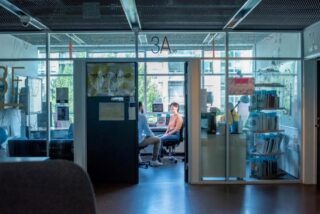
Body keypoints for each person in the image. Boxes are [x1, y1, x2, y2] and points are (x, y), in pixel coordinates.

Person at [138, 102, 163, 167]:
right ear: (140, 107)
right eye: (142, 106)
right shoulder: (141, 116)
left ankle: (139, 159)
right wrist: (153, 136)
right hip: (138, 142)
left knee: (146, 137)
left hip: (131, 141)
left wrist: (147, 136)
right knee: (158, 140)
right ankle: (154, 161)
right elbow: (147, 131)